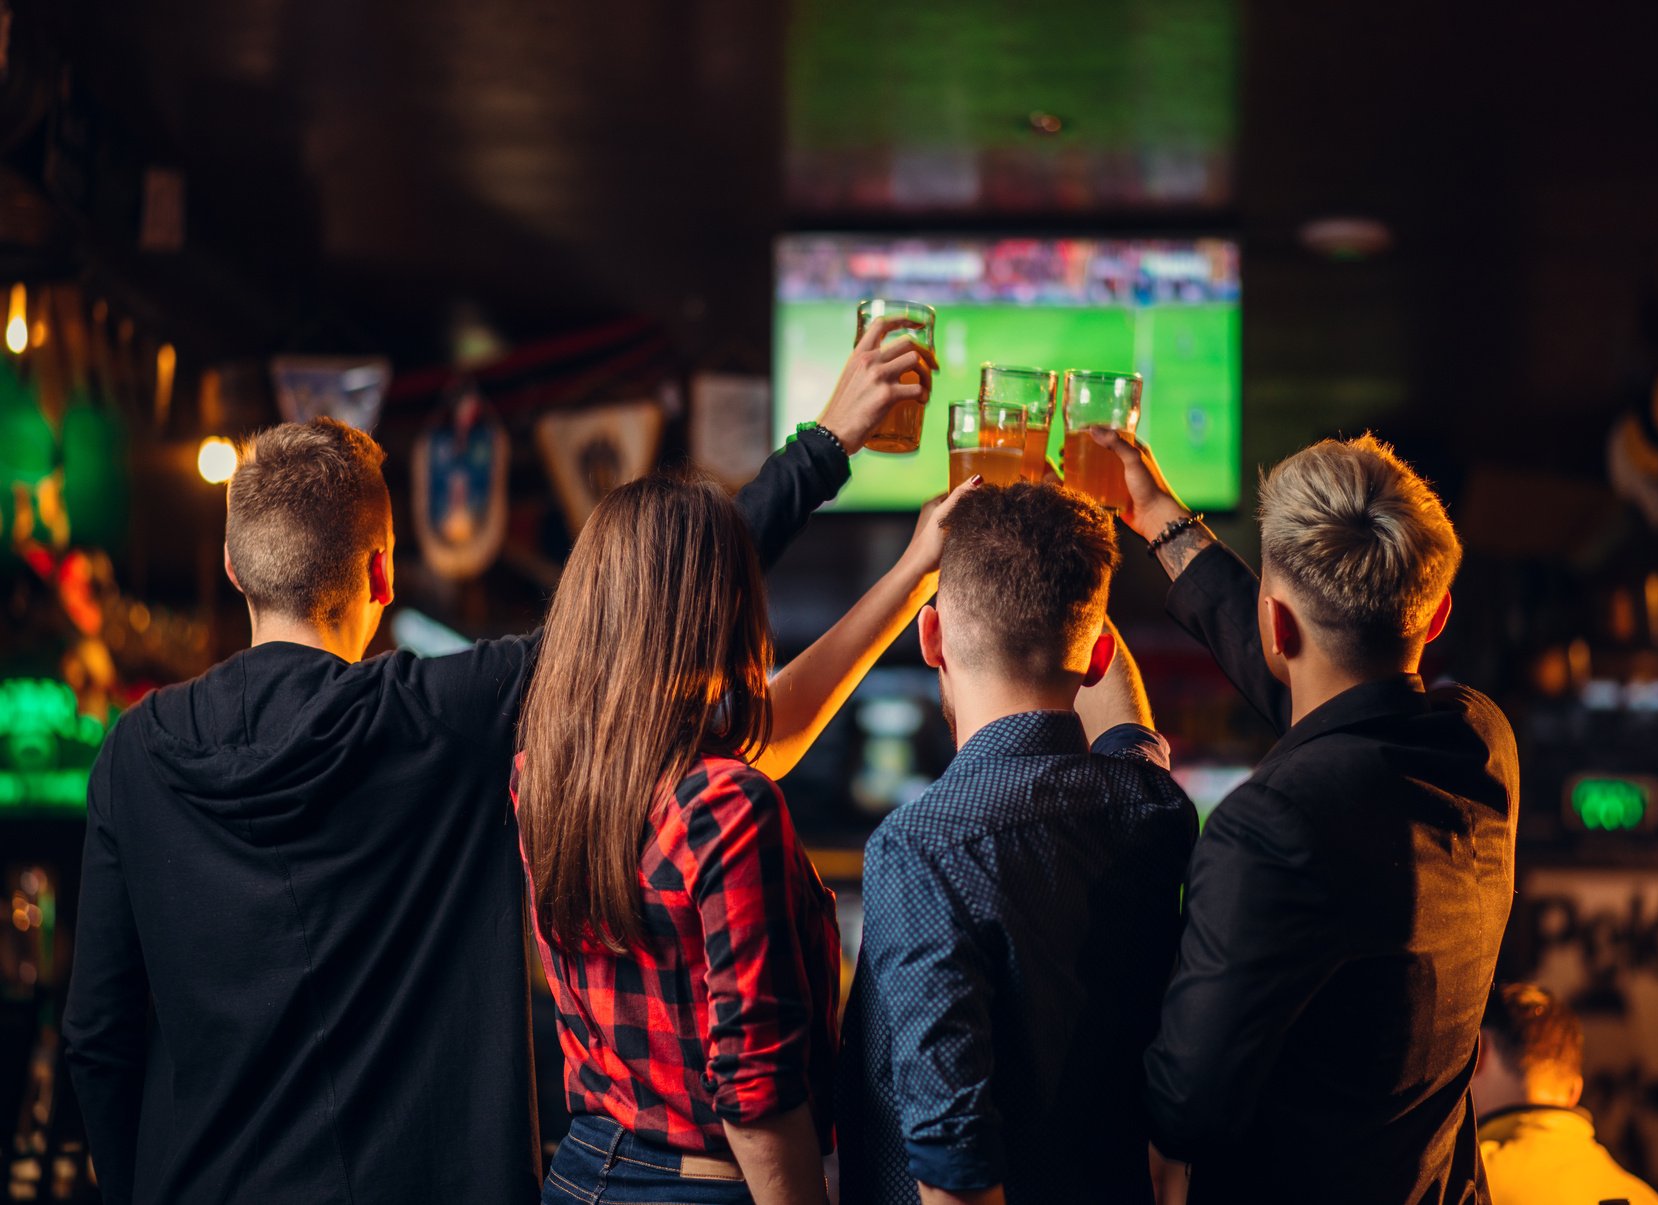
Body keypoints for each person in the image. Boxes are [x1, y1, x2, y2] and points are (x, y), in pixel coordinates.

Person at [59, 319, 936, 1205]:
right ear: (381, 573)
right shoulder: (434, 716)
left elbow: (98, 1034)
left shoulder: (132, 753)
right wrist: (825, 446)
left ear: (231, 567)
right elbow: (649, 602)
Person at [513, 472, 974, 1205]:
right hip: (706, 1188)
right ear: (721, 611)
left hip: (579, 1174)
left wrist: (913, 571)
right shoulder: (725, 804)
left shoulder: (545, 774)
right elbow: (756, 1099)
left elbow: (772, 731)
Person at [1090, 429, 1519, 1204]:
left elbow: (1184, 1112)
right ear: (1435, 615)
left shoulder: (1268, 828)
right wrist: (1159, 519)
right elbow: (1341, 699)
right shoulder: (1478, 742)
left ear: (1275, 626)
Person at [837, 482, 1200, 1205]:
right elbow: (1128, 725)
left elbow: (955, 1169)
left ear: (930, 637)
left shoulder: (918, 849)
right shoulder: (1153, 803)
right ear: (1097, 653)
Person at [1471, 983, 1658, 1205]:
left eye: (1627, 1081)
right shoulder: (1647, 1197)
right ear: (1575, 1090)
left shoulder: (1464, 1187)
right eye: (1604, 1086)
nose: (1617, 1104)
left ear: (1479, 1055)